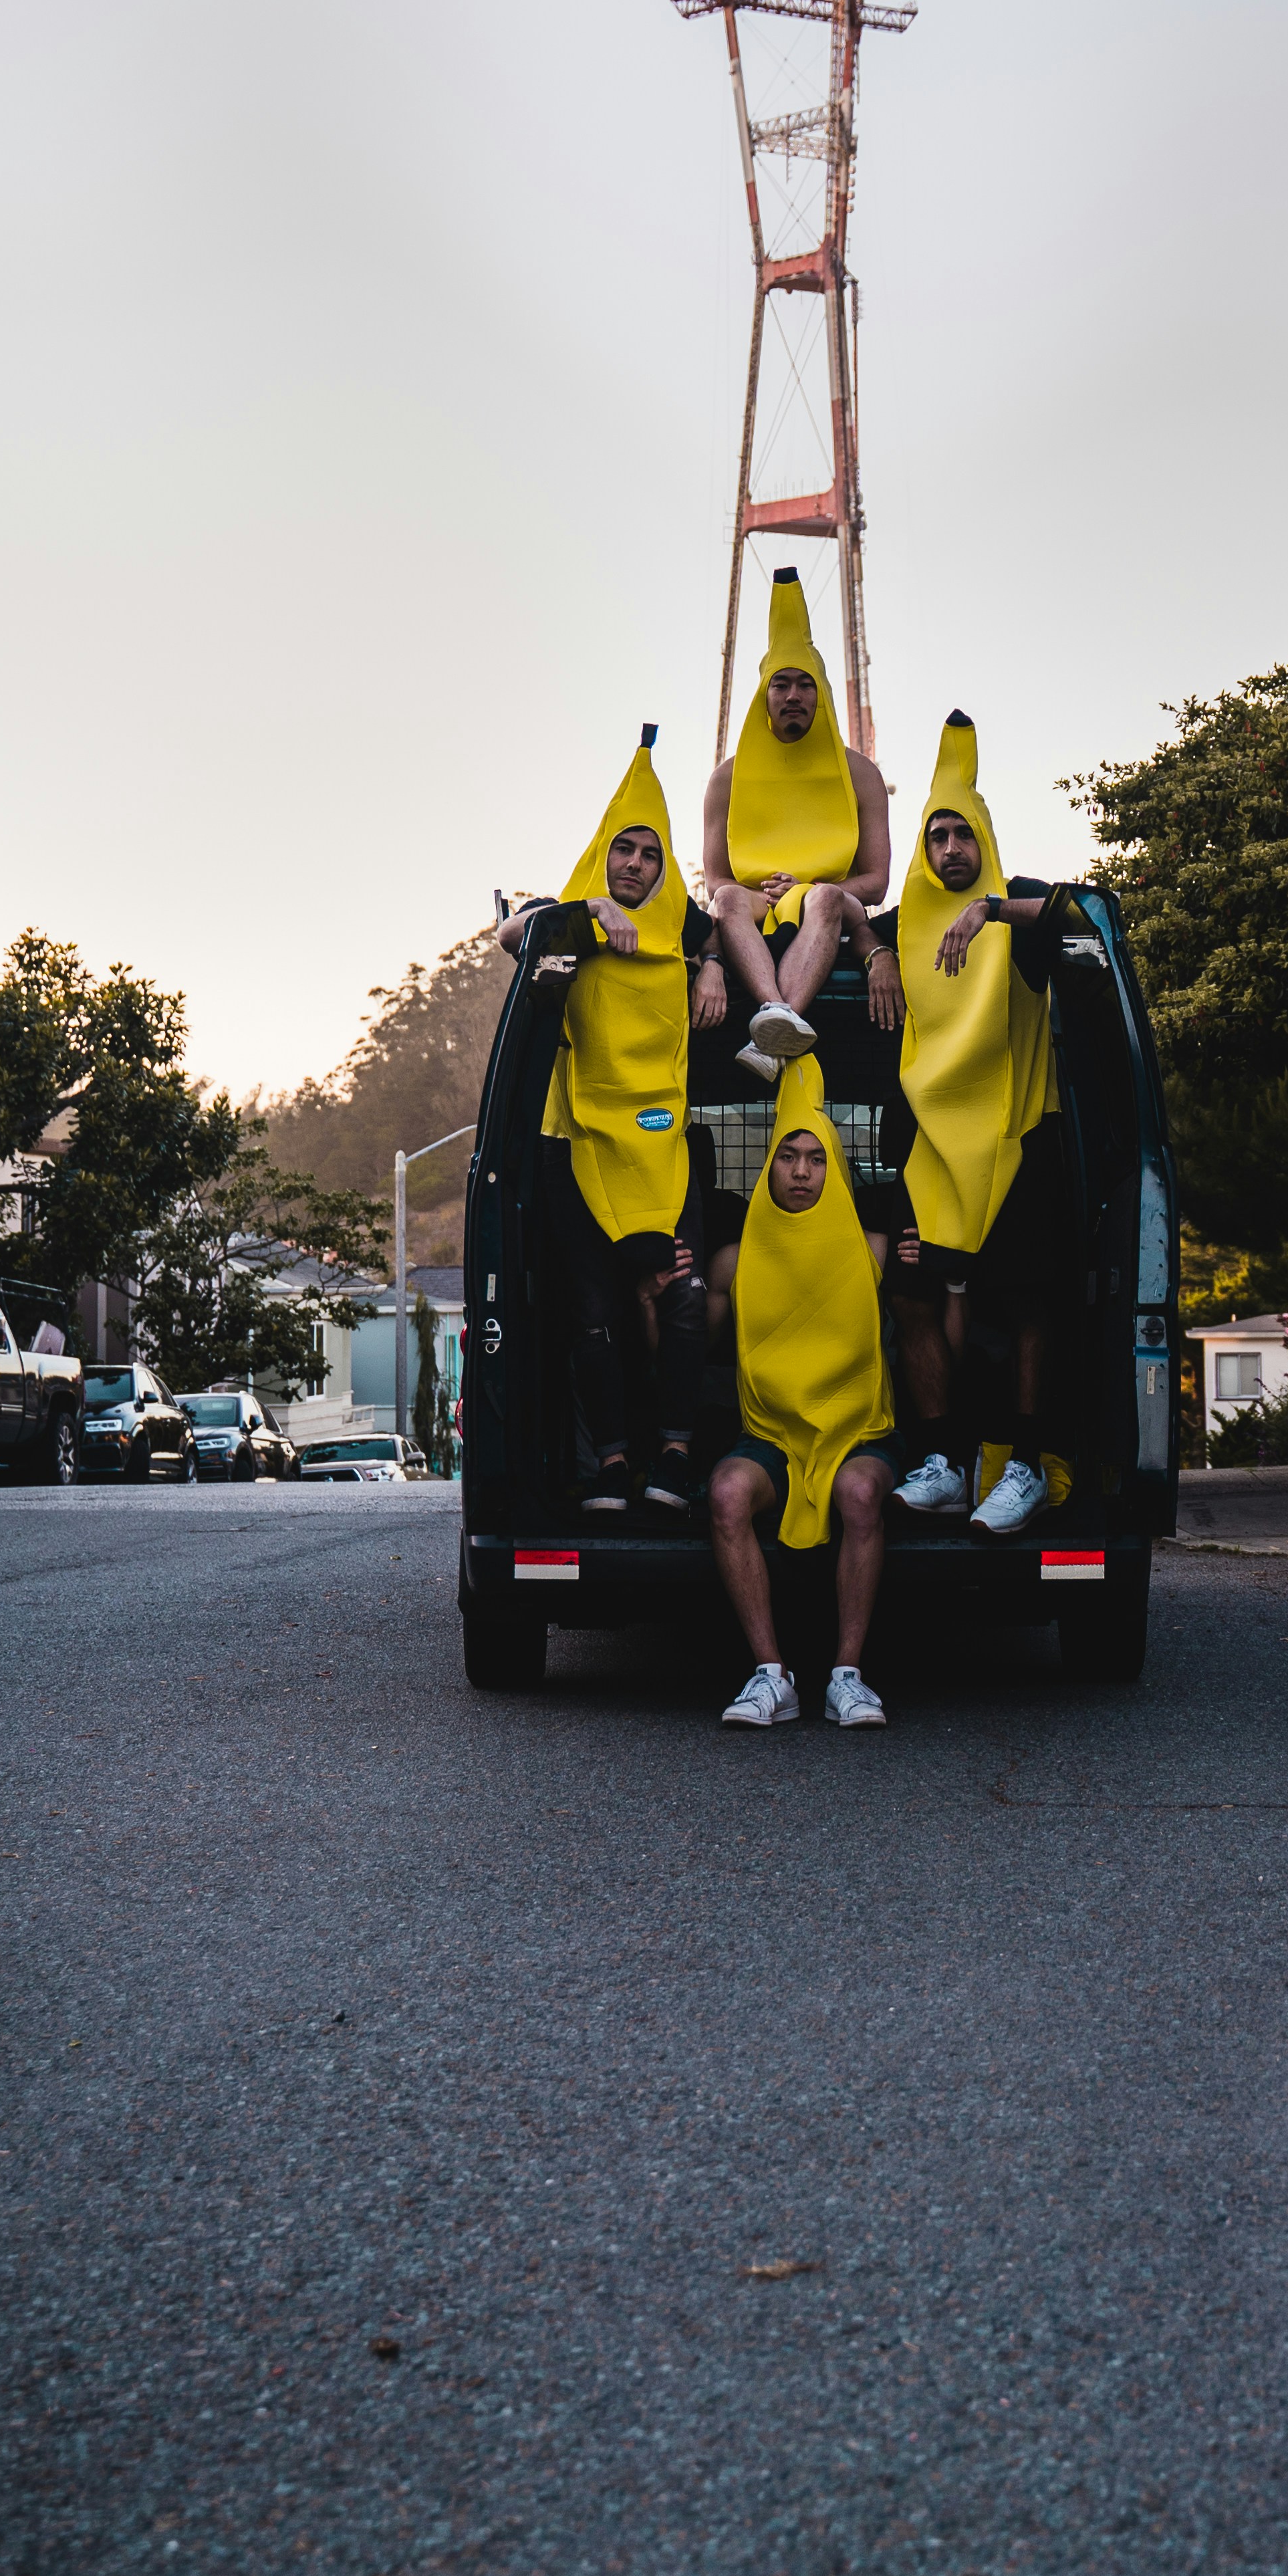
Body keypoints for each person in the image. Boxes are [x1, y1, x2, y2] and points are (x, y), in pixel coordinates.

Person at [499, 727, 729, 1515]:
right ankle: (612, 1464)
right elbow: (506, 933)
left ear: (666, 866)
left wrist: (713, 969)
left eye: (649, 854)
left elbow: (727, 929)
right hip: (578, 1145)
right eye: (623, 850)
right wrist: (587, 909)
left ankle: (674, 1457)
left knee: (684, 1298)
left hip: (663, 1149)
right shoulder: (564, 914)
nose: (635, 864)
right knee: (593, 1310)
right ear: (604, 852)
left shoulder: (682, 923)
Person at [865, 711, 1077, 1536]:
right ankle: (944, 1462)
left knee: (1026, 1309)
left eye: (962, 834)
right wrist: (876, 952)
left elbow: (1089, 914)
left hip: (1016, 1142)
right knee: (912, 1297)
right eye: (937, 836)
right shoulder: (908, 919)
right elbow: (837, 919)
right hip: (934, 1155)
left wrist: (992, 910)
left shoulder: (1016, 910)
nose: (949, 848)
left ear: (985, 842)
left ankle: (1022, 1465)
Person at [700, 1055, 898, 1730]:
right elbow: (689, 1353)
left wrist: (942, 1277)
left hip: (857, 1430)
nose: (803, 1171)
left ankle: (847, 1676)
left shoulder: (873, 1250)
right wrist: (663, 1289)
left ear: (834, 1168)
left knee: (861, 1493)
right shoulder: (732, 1259)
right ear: (769, 1166)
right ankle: (771, 1676)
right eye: (789, 1156)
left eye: (817, 1157)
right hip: (770, 1435)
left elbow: (940, 1328)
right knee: (726, 1493)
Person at [700, 569, 891, 1082]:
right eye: (780, 684)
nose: (793, 695)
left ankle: (772, 1020)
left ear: (821, 695)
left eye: (805, 684)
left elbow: (875, 883)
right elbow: (717, 880)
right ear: (764, 695)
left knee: (825, 901)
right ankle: (777, 1015)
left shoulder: (860, 774)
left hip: (832, 903)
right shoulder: (727, 779)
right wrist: (767, 891)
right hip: (755, 904)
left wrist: (809, 888)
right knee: (728, 901)